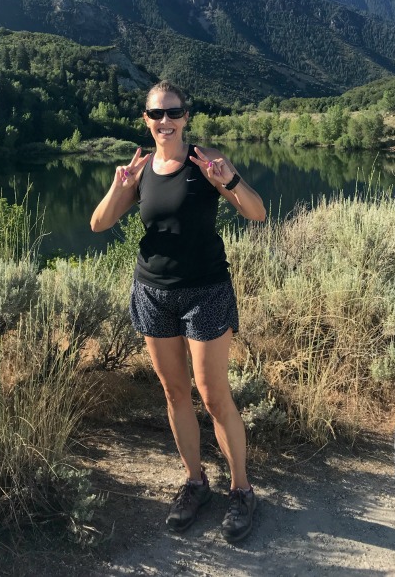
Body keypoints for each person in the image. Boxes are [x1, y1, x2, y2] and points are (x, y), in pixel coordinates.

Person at [90, 80, 266, 543]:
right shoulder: (141, 169)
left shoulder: (205, 163)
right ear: (145, 120)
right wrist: (118, 187)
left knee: (213, 396)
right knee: (174, 394)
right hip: (153, 293)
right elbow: (99, 223)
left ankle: (242, 491)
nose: (164, 121)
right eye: (155, 114)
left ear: (187, 117)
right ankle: (194, 482)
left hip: (206, 291)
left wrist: (227, 180)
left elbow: (257, 212)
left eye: (173, 113)